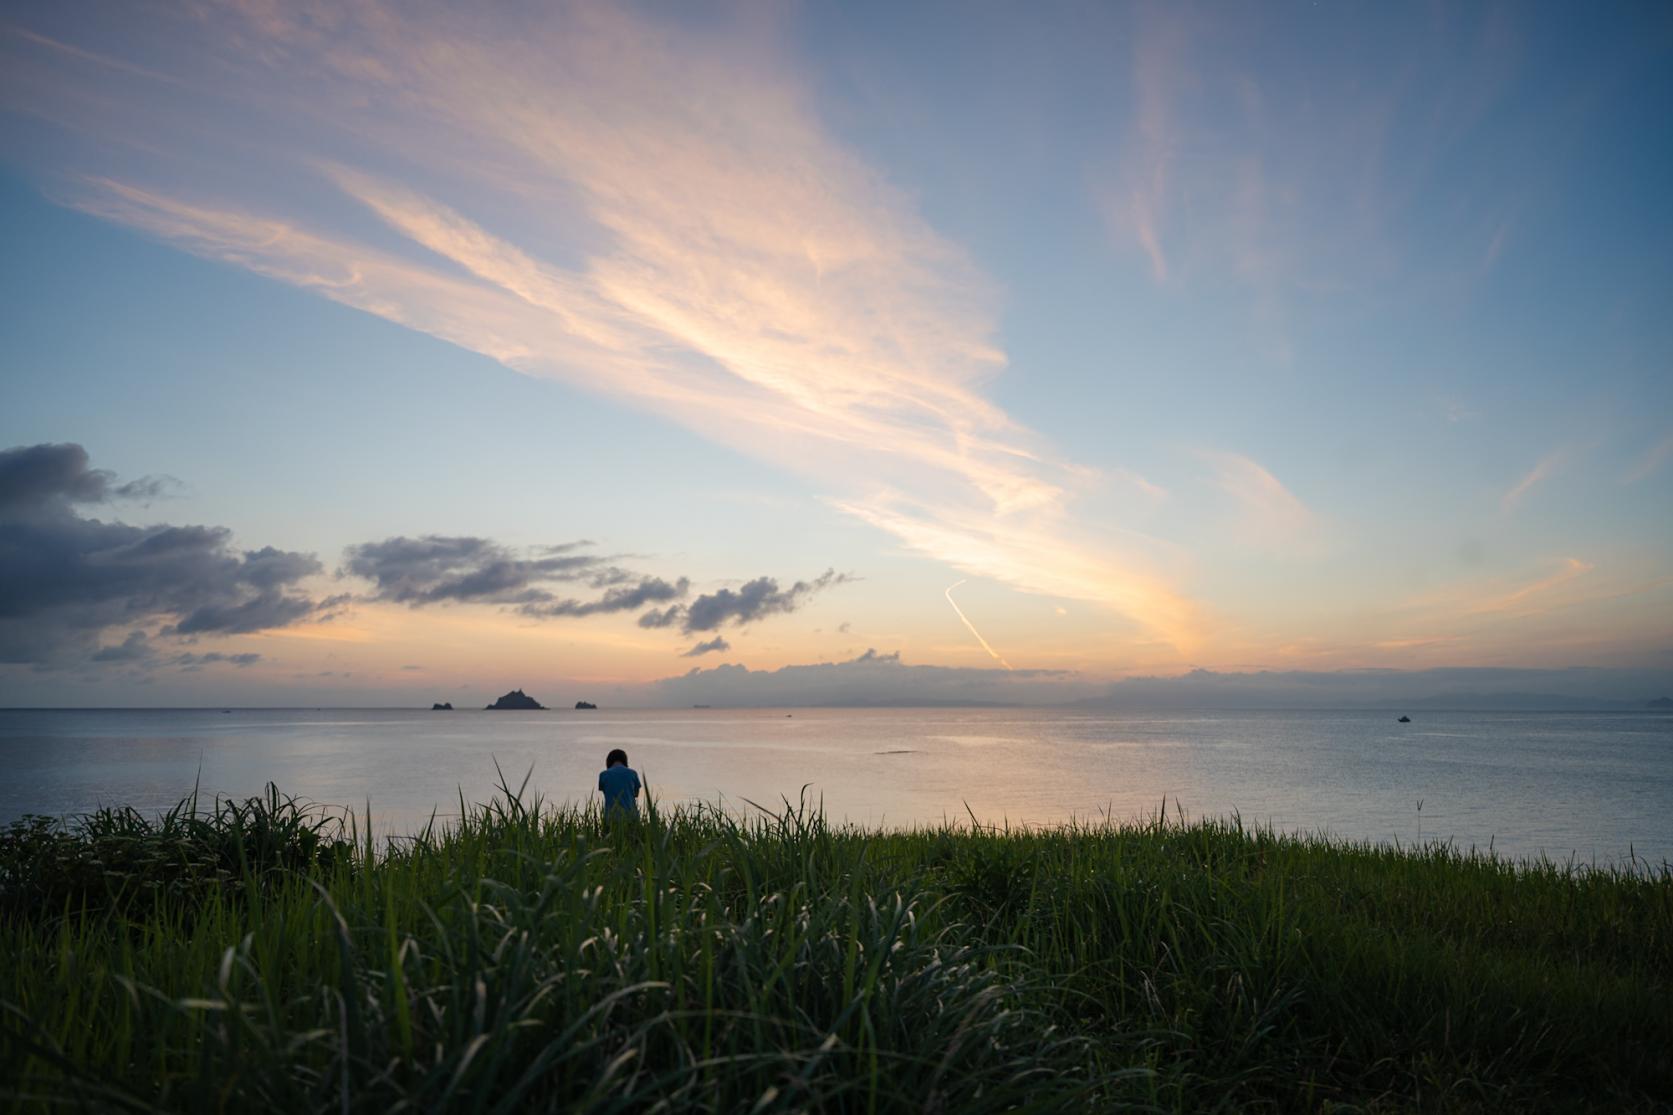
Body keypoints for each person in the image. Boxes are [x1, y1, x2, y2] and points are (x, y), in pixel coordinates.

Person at [597, 747, 642, 821]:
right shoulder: (633, 773)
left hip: (611, 818)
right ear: (625, 760)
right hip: (631, 817)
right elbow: (636, 794)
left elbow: (605, 792)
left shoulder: (603, 775)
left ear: (608, 761)